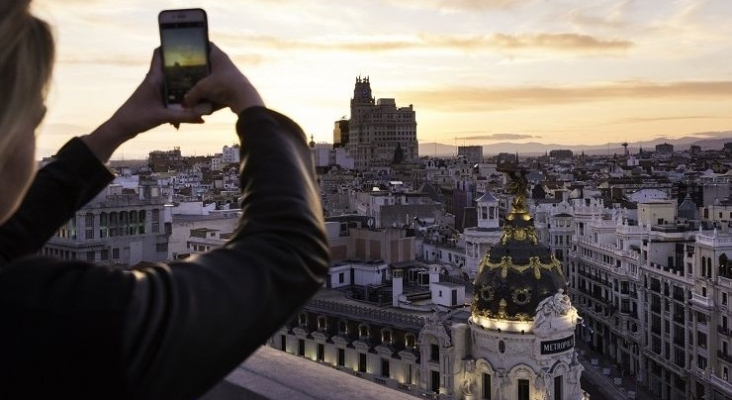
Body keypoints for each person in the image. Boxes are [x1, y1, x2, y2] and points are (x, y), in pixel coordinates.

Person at [0, 2, 330, 399]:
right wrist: (249, 102)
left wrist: (118, 128)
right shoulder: (37, 314)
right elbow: (286, 253)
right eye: (34, 121)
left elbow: (12, 235)